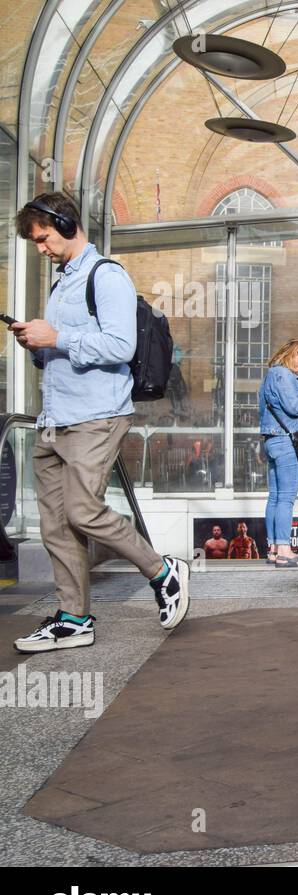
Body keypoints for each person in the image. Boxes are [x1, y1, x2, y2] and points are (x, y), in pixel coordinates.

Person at [10, 192, 190, 652]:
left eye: (44, 237)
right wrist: (39, 342)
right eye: (34, 241)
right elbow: (70, 345)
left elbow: (120, 346)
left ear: (67, 224)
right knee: (55, 525)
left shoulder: (106, 276)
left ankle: (163, 572)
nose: (40, 248)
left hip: (96, 416)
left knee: (82, 510)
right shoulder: (61, 283)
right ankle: (73, 618)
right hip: (55, 416)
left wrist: (58, 336)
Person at [260, 340, 298, 568]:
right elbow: (295, 408)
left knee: (275, 497)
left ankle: (274, 549)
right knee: (286, 498)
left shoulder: (271, 375)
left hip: (272, 440)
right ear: (295, 355)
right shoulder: (283, 375)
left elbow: (281, 406)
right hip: (286, 442)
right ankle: (285, 551)